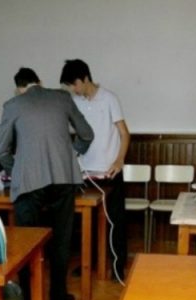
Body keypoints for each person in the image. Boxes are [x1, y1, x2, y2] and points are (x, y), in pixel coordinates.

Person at [0, 67, 94, 300]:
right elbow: (87, 134)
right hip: (63, 178)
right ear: (39, 81)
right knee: (61, 239)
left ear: (19, 87)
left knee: (27, 242)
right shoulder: (62, 98)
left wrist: (16, 168)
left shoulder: (13, 105)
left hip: (29, 183)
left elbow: (0, 150)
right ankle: (58, 296)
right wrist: (72, 153)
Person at [60, 59, 130, 281]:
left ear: (85, 79)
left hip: (109, 172)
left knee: (115, 222)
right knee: (87, 224)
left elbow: (125, 134)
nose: (73, 90)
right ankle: (88, 264)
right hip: (84, 172)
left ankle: (118, 268)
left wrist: (119, 161)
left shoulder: (109, 98)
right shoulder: (75, 102)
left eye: (74, 85)